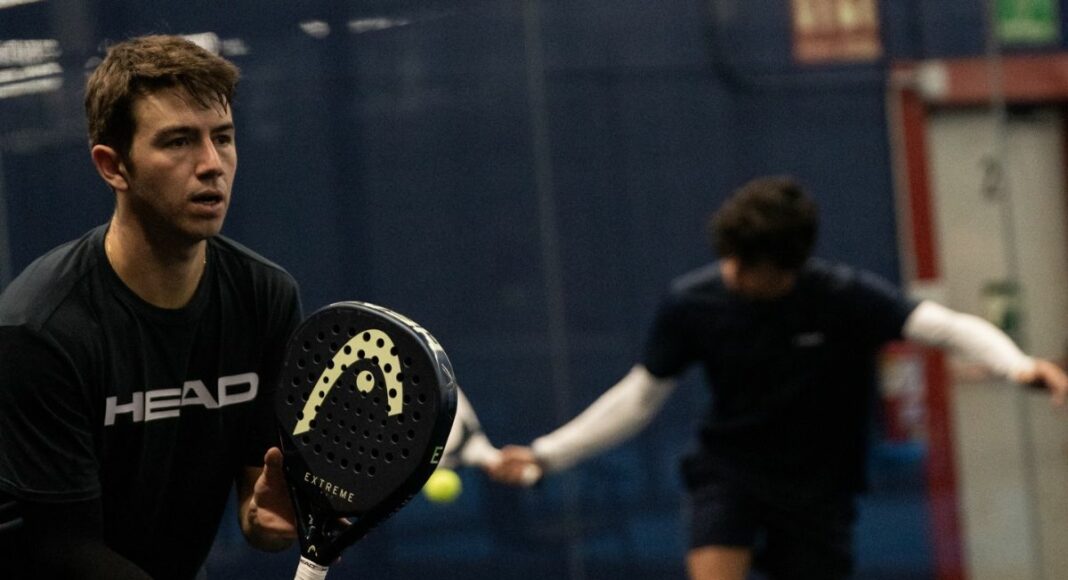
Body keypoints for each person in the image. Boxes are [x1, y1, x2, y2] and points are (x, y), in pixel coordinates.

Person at [488, 176, 1068, 580]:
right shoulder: (694, 303)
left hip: (820, 489)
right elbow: (641, 397)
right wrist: (546, 455)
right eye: (728, 256)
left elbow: (946, 328)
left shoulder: (844, 298)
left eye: (747, 264)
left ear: (787, 268)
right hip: (730, 474)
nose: (730, 271)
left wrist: (1018, 366)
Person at [0, 35, 302, 579]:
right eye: (178, 141)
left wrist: (268, 521)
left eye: (224, 138)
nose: (212, 165)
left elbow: (259, 502)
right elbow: (65, 550)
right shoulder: (39, 328)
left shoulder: (264, 298)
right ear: (113, 166)